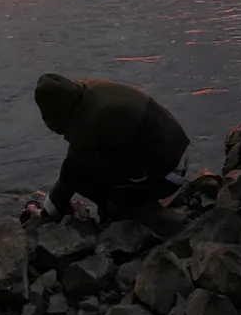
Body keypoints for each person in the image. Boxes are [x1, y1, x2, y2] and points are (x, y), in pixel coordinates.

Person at [29, 73, 190, 223]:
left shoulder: (90, 121)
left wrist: (45, 215)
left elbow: (71, 172)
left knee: (81, 172)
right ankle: (116, 207)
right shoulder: (93, 89)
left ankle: (129, 211)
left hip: (168, 175)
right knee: (92, 162)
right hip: (176, 155)